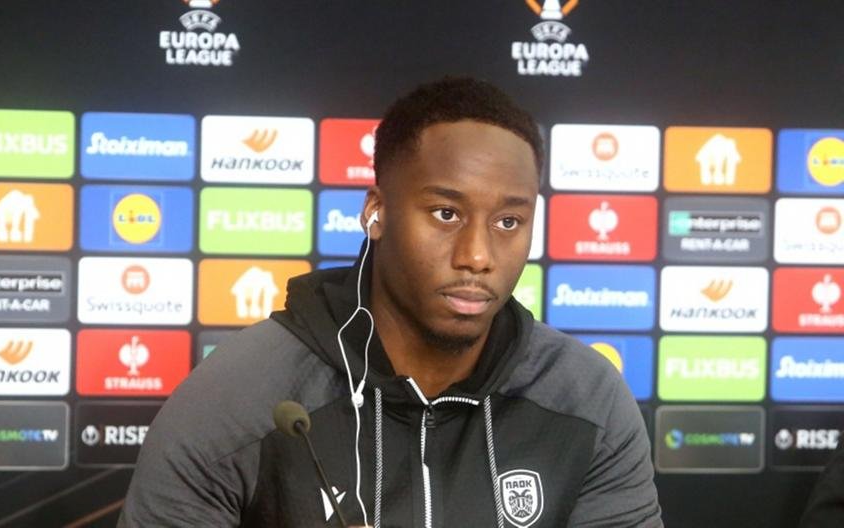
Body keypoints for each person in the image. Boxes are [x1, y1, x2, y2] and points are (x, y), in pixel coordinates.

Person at [119, 77, 662, 527]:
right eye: (446, 214)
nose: (477, 256)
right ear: (375, 212)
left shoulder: (585, 402)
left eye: (508, 222)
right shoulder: (237, 400)